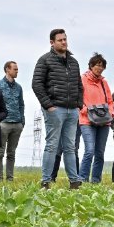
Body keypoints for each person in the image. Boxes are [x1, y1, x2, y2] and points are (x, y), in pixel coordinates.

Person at [32, 28, 84, 189]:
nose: (64, 42)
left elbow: (79, 86)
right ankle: (46, 181)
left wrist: (78, 105)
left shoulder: (73, 62)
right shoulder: (45, 60)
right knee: (52, 144)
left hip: (72, 110)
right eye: (60, 40)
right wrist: (48, 105)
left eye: (65, 39)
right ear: (52, 42)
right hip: (55, 109)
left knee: (70, 147)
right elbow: (37, 84)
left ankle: (74, 181)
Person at [79, 53, 114, 183]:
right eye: (97, 65)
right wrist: (84, 109)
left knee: (100, 153)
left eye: (102, 66)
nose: (99, 68)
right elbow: (77, 98)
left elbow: (110, 101)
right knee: (89, 150)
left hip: (104, 121)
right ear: (91, 66)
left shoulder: (104, 82)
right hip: (87, 120)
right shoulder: (82, 79)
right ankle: (82, 179)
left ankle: (95, 180)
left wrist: (111, 113)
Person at [0, 61, 25, 181]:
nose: (17, 71)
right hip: (3, 123)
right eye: (15, 69)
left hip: (17, 124)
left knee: (11, 153)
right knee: (0, 153)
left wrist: (22, 121)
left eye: (17, 69)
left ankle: (10, 179)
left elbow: (21, 105)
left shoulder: (19, 87)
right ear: (7, 69)